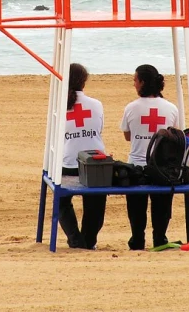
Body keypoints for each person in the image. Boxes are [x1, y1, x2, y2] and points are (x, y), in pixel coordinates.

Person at [120, 64, 179, 250]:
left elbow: (128, 136)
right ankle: (160, 239)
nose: (134, 85)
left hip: (137, 166)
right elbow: (175, 136)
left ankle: (137, 240)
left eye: (135, 81)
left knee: (136, 207)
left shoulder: (131, 108)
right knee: (162, 205)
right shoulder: (171, 108)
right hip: (162, 168)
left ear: (143, 82)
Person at [59, 62, 107, 250]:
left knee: (61, 201)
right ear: (84, 82)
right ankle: (88, 241)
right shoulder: (96, 105)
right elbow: (98, 130)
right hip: (94, 163)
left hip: (69, 163)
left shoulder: (60, 105)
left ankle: (75, 239)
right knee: (96, 202)